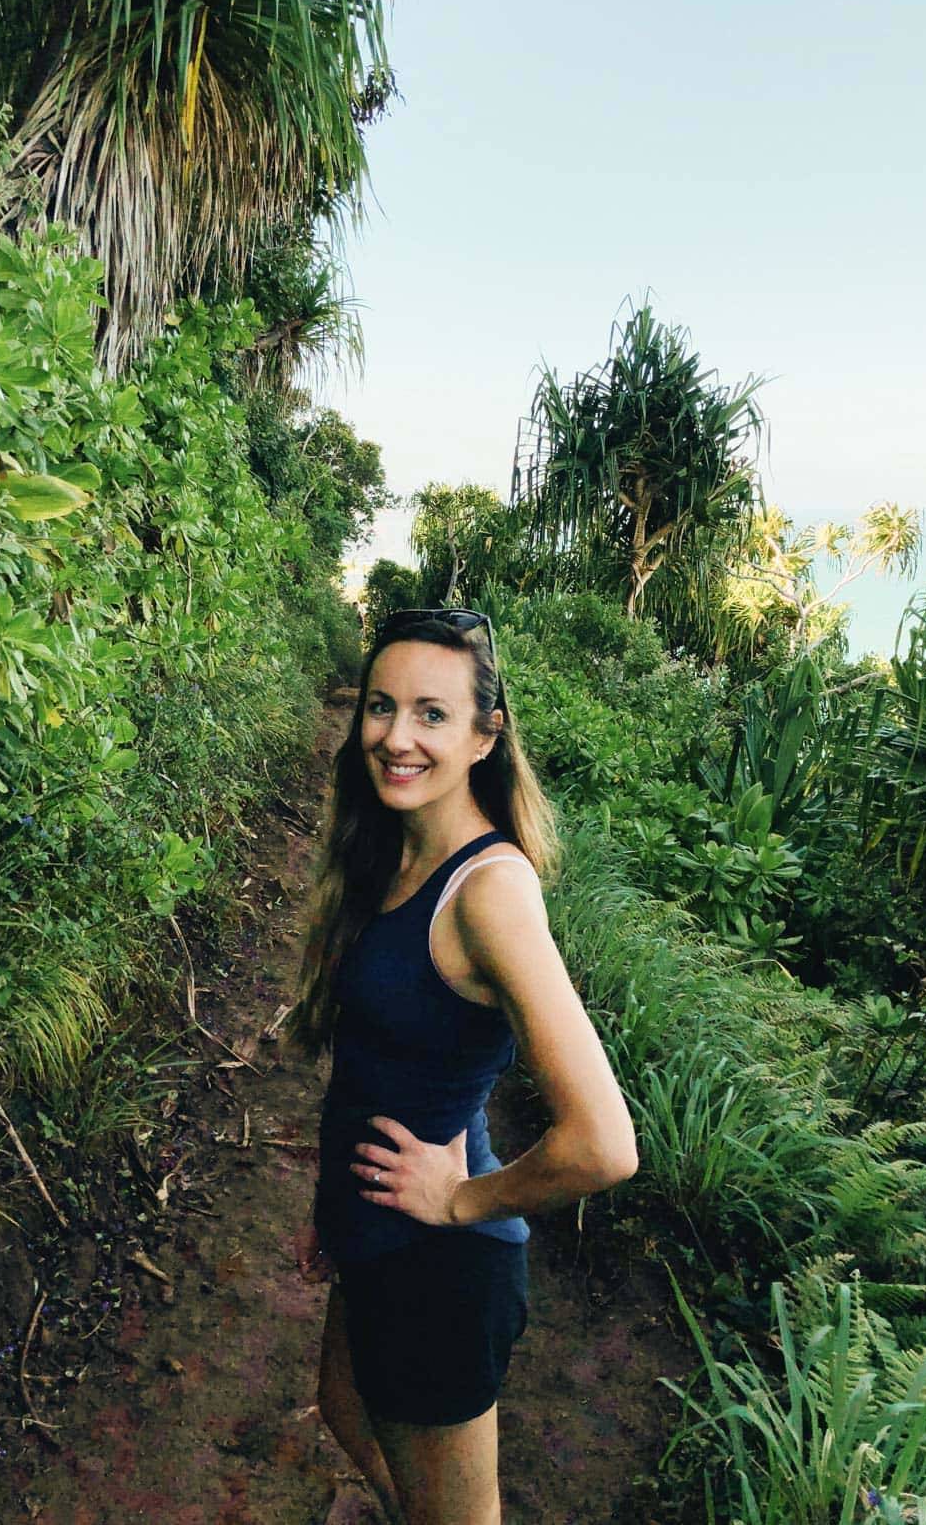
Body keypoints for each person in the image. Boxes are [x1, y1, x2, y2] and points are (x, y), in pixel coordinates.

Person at [284, 607, 638, 1525]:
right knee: (343, 1407)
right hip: (378, 1230)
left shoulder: (490, 893)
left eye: (432, 715)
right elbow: (381, 1066)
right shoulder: (397, 853)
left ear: (487, 735)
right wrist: (338, 1206)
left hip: (439, 1268)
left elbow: (603, 1144)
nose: (396, 737)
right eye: (381, 706)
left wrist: (459, 1199)